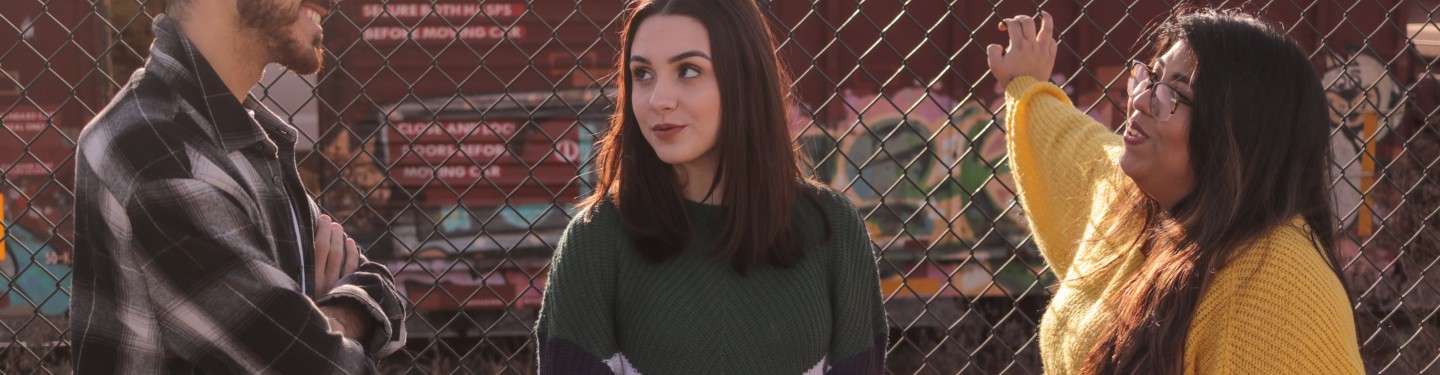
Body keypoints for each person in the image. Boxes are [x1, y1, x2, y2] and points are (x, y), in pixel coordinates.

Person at [986, 8, 1364, 374]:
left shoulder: (1281, 288)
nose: (1139, 100)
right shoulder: (1132, 203)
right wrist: (1028, 85)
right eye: (1151, 77)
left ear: (1237, 136)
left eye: (1176, 95)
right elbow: (1072, 144)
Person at [533, 0, 887, 373]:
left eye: (688, 70)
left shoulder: (832, 230)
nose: (659, 100)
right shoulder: (596, 241)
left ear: (746, 79)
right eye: (642, 74)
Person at [71, 0, 406, 372]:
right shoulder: (153, 148)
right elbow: (314, 365)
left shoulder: (244, 136)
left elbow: (381, 290)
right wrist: (342, 317)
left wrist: (325, 321)